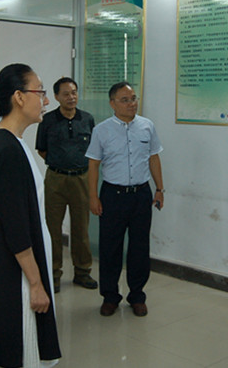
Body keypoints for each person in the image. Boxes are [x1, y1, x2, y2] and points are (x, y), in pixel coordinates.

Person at [0, 63, 61, 367]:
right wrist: (36, 283)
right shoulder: (8, 149)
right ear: (19, 97)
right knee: (22, 347)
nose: (46, 100)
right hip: (17, 274)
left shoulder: (5, 140)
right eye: (40, 91)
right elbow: (14, 225)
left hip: (12, 264)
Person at [86, 81, 164, 317]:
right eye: (125, 100)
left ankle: (137, 296)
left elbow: (154, 158)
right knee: (110, 248)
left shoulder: (147, 126)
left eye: (133, 98)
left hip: (141, 195)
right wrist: (93, 196)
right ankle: (110, 297)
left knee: (140, 247)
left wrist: (160, 189)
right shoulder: (101, 130)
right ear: (112, 103)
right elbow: (93, 165)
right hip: (113, 195)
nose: (132, 104)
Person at [36, 77, 97, 293]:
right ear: (56, 97)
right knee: (52, 229)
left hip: (81, 178)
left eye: (74, 92)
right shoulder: (48, 120)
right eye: (66, 94)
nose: (71, 97)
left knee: (81, 228)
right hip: (56, 179)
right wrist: (60, 162)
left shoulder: (87, 119)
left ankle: (82, 272)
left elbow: (94, 150)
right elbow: (41, 149)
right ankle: (53, 274)